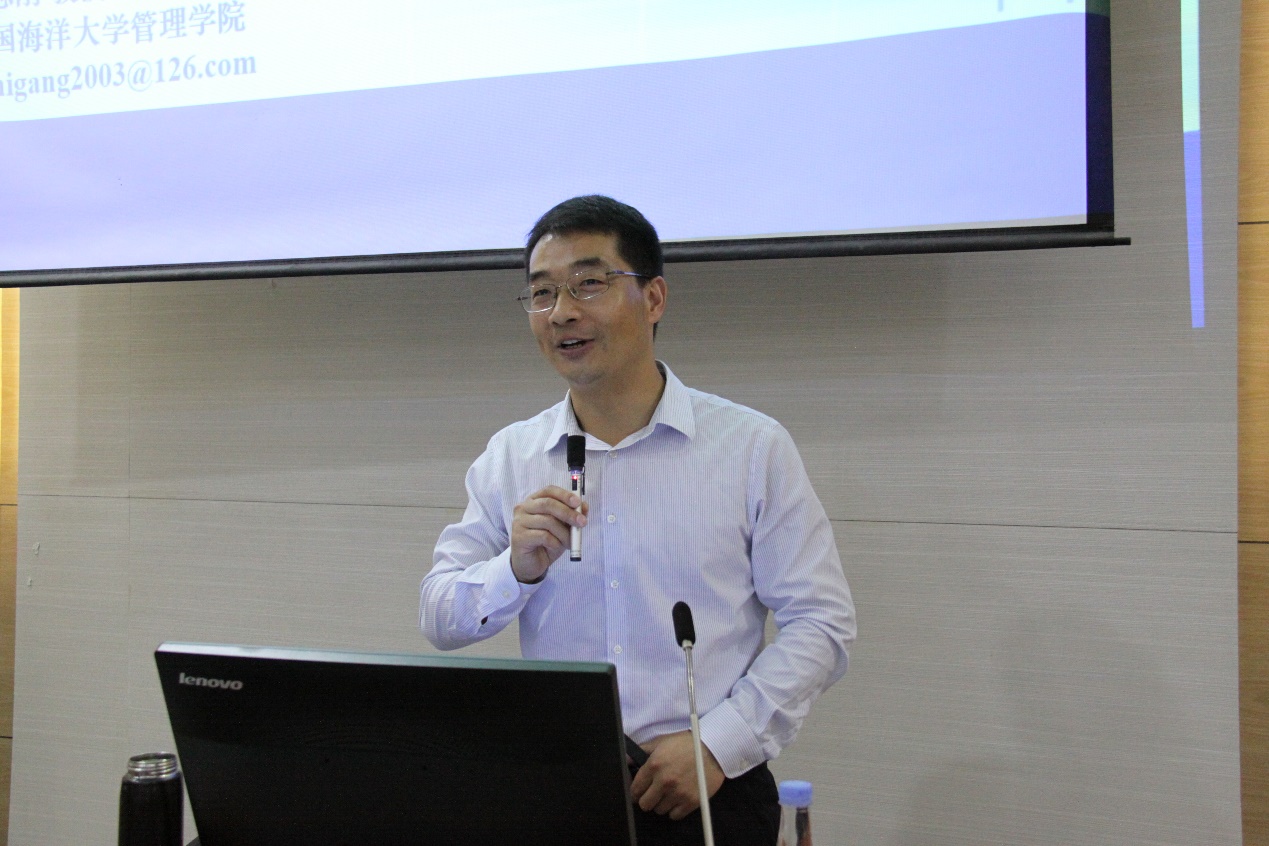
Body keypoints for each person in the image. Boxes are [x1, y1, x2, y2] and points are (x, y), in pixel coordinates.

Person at [420, 195, 855, 846]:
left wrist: (717, 744)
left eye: (588, 284)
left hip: (709, 792)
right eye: (542, 293)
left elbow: (820, 623)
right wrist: (514, 570)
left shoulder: (750, 448)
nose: (561, 312)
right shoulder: (511, 456)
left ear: (653, 299)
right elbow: (439, 616)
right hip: (557, 791)